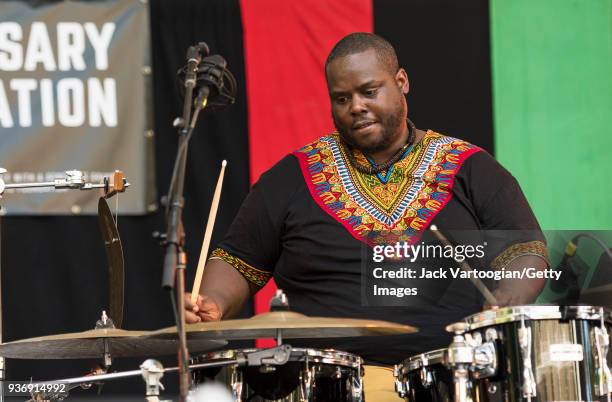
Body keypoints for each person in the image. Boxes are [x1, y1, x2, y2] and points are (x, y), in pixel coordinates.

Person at [185, 33, 549, 401]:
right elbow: (237, 260)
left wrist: (506, 297)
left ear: (401, 82)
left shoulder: (470, 168)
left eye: (369, 92)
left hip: (458, 378)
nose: (355, 106)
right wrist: (212, 301)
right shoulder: (291, 177)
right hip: (330, 384)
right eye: (341, 99)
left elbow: (525, 250)